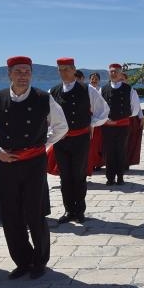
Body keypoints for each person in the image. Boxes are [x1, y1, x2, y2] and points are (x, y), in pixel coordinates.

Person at [0, 56, 68, 280]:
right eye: (18, 71)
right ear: (9, 74)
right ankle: (22, 261)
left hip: (34, 163)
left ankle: (39, 261)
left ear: (31, 74)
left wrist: (43, 144)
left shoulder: (43, 98)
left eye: (27, 71)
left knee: (35, 212)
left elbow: (61, 127)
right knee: (10, 214)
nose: (23, 76)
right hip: (6, 163)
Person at [48, 57, 109, 224]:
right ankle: (69, 210)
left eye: (66, 69)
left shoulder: (88, 89)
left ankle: (80, 210)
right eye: (60, 70)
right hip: (61, 141)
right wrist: (52, 132)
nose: (63, 73)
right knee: (65, 176)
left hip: (80, 139)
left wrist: (91, 123)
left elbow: (103, 111)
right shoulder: (53, 91)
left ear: (74, 69)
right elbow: (47, 116)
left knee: (79, 175)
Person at [100, 63, 140, 185]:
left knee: (121, 151)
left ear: (121, 73)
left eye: (116, 71)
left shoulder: (129, 89)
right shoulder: (103, 89)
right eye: (111, 71)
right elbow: (99, 108)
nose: (113, 73)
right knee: (109, 152)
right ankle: (110, 178)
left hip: (122, 126)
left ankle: (120, 177)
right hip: (108, 126)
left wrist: (123, 117)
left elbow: (135, 108)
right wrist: (105, 119)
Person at [86, 72, 105, 175]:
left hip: (98, 121)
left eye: (96, 79)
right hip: (88, 120)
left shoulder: (101, 90)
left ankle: (97, 163)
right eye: (92, 78)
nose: (94, 80)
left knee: (97, 144)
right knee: (90, 144)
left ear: (99, 80)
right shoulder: (86, 90)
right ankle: (90, 163)